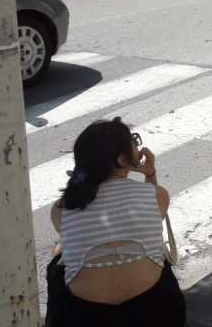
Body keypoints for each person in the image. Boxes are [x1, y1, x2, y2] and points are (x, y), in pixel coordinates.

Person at [49, 118, 185, 326]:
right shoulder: (155, 195)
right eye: (133, 141)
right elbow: (153, 220)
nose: (137, 145)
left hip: (82, 315)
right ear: (122, 160)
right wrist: (150, 174)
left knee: (57, 256)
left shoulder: (62, 208)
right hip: (155, 309)